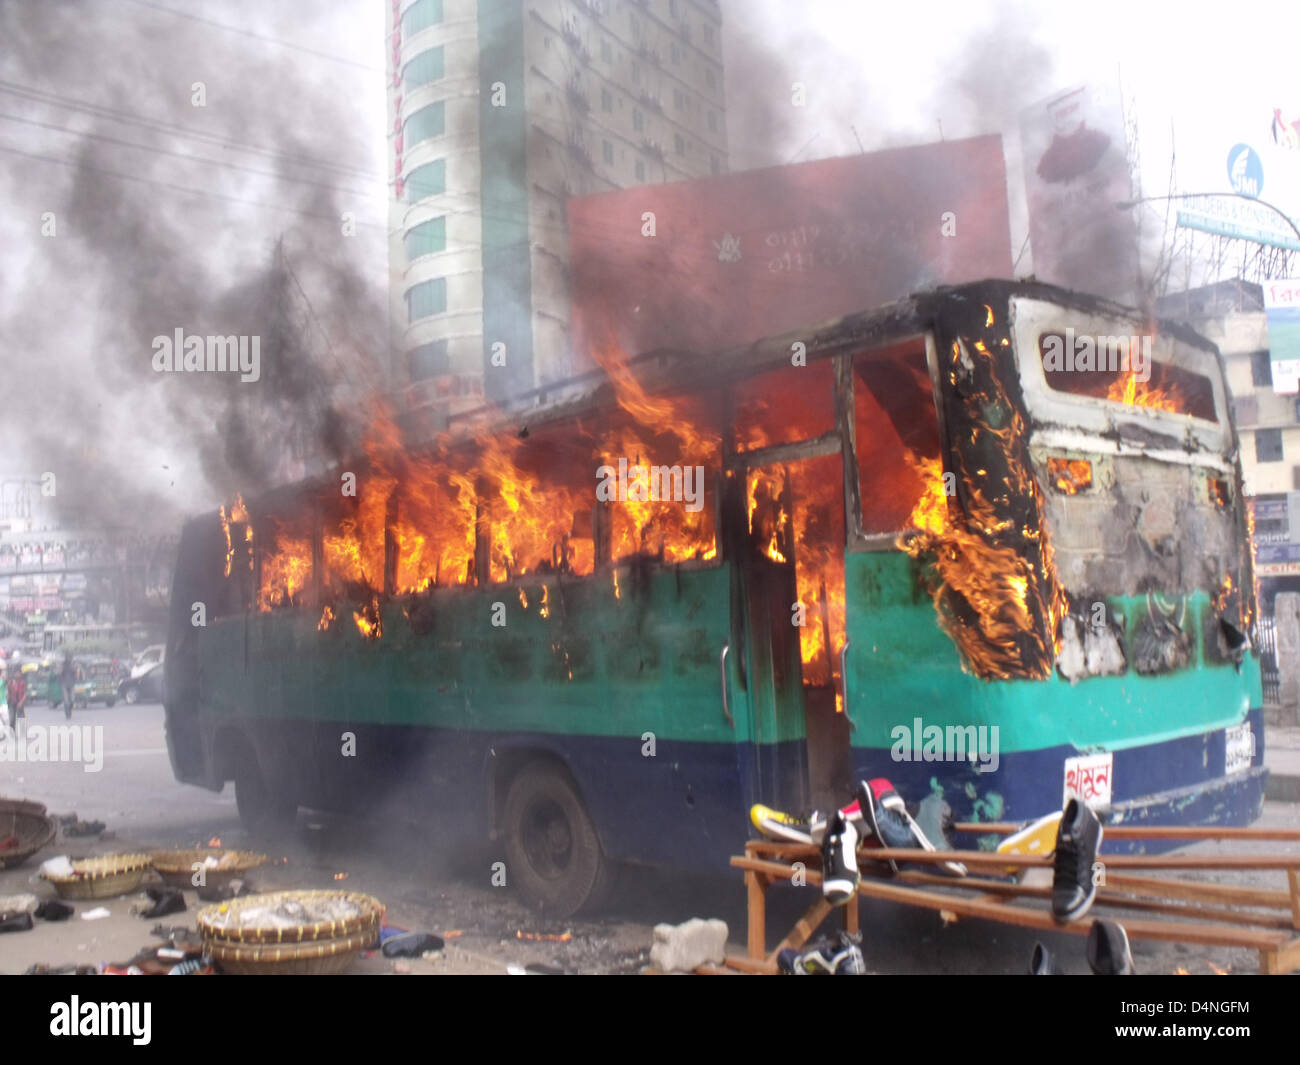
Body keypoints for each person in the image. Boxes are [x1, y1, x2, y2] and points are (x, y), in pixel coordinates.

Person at [7, 666, 26, 731]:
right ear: (14, 674)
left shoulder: (23, 682)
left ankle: (22, 734)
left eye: (19, 673)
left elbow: (25, 694)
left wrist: (21, 702)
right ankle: (12, 733)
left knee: (21, 718)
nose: (17, 674)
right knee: (12, 719)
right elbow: (8, 692)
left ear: (21, 674)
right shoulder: (11, 682)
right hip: (12, 702)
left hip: (20, 703)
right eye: (16, 673)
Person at [60, 651, 76, 720]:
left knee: (72, 700)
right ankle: (68, 714)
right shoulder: (62, 666)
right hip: (64, 685)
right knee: (66, 701)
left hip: (71, 684)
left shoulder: (72, 666)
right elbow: (60, 675)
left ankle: (69, 711)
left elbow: (74, 674)